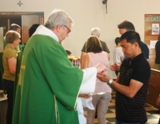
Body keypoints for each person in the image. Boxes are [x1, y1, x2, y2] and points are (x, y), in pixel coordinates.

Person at [12, 9, 107, 124]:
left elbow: (51, 77)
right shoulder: (48, 44)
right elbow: (66, 76)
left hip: (34, 100)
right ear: (59, 27)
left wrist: (78, 92)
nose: (67, 35)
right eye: (68, 31)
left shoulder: (35, 40)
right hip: (44, 106)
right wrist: (94, 70)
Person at [98, 31, 151, 124]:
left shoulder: (142, 65)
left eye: (124, 46)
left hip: (134, 117)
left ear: (135, 45)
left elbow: (131, 92)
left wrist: (110, 81)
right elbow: (117, 86)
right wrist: (105, 78)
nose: (122, 50)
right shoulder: (126, 62)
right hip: (121, 115)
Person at [81, 36, 112, 124]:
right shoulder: (106, 54)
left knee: (90, 115)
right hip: (106, 89)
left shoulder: (87, 55)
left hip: (93, 90)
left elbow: (84, 72)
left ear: (88, 45)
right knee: (102, 116)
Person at [2, 30, 21, 124]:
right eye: (18, 39)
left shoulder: (10, 49)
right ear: (14, 40)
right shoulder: (10, 52)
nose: (20, 41)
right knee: (12, 105)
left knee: (12, 104)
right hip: (10, 81)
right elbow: (13, 70)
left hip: (8, 80)